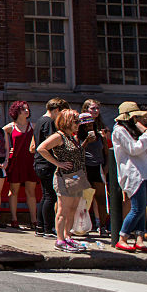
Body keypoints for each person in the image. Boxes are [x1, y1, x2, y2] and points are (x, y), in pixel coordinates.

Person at [37, 109, 91, 253]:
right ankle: (60, 239)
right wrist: (57, 163)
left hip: (76, 176)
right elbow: (41, 148)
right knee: (63, 209)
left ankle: (68, 236)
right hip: (64, 176)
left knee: (73, 208)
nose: (78, 124)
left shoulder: (71, 137)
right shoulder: (59, 136)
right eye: (76, 121)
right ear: (67, 121)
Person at [111, 102, 147, 253]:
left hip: (146, 171)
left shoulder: (136, 129)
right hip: (133, 173)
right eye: (135, 116)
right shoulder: (119, 130)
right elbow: (134, 149)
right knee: (137, 208)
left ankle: (140, 240)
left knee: (142, 209)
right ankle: (122, 238)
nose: (138, 119)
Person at [32, 98, 70, 238]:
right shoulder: (48, 122)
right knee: (50, 196)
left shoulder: (41, 120)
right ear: (56, 110)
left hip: (40, 163)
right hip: (46, 164)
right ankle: (48, 229)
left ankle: (40, 227)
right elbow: (48, 145)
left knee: (45, 196)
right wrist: (58, 163)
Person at [4, 100, 38, 230]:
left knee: (31, 191)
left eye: (27, 108)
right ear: (17, 111)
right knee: (13, 191)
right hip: (16, 161)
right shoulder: (10, 127)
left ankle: (34, 220)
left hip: (30, 161)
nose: (26, 111)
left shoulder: (33, 126)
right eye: (23, 109)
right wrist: (7, 149)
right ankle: (14, 219)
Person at [79, 98, 110, 235]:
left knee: (101, 198)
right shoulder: (77, 134)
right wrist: (86, 140)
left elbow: (106, 152)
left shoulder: (100, 132)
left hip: (98, 167)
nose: (89, 127)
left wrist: (106, 167)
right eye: (86, 125)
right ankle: (82, 226)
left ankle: (102, 226)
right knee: (84, 199)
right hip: (85, 168)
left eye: (91, 125)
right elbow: (76, 152)